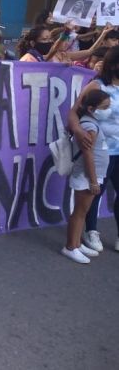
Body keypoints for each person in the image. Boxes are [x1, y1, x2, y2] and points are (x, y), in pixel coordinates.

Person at [69, 46, 119, 254]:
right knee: (93, 192)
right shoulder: (97, 86)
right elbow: (73, 113)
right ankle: (91, 231)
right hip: (100, 151)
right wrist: (78, 130)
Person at [62, 89, 111, 263]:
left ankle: (76, 242)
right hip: (87, 175)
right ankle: (70, 246)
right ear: (91, 109)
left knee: (83, 211)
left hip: (90, 175)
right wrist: (93, 180)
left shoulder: (92, 122)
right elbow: (88, 154)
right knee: (80, 212)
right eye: (105, 107)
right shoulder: (89, 126)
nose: (108, 110)